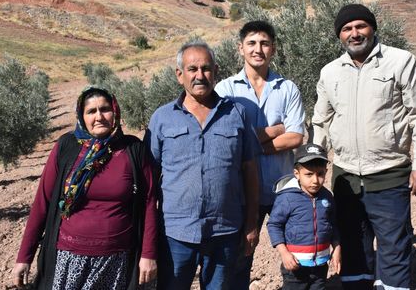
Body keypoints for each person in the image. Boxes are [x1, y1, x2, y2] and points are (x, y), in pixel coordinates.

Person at [311, 4, 416, 290]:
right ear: (339, 36)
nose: (354, 33)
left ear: (372, 28)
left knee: (394, 246)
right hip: (345, 177)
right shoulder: (330, 72)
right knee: (353, 245)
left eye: (360, 26)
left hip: (389, 173)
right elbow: (321, 121)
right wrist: (315, 163)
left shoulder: (400, 61)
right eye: (347, 29)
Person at [12, 86, 158, 289]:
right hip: (69, 258)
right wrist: (24, 257)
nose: (99, 116)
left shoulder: (133, 149)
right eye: (91, 111)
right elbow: (42, 203)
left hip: (117, 260)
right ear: (82, 117)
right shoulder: (67, 147)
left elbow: (149, 203)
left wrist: (148, 254)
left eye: (105, 109)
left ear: (114, 111)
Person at [145, 40, 260, 290]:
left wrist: (252, 223)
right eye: (192, 69)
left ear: (216, 71)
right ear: (179, 75)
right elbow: (149, 180)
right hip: (176, 233)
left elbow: (250, 171)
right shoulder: (162, 118)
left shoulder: (237, 113)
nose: (200, 76)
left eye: (206, 69)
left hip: (226, 231)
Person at [215, 20, 305, 288]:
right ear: (240, 48)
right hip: (242, 191)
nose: (258, 49)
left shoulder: (287, 88)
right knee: (241, 256)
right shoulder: (225, 90)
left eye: (264, 43)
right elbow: (228, 139)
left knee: (295, 253)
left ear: (273, 49)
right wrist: (275, 130)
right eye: (252, 43)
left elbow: (296, 136)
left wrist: (252, 144)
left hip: (283, 188)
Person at [267, 143, 341, 290]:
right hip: (295, 266)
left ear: (326, 172)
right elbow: (274, 225)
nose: (315, 180)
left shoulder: (327, 197)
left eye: (320, 174)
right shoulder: (287, 198)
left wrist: (337, 248)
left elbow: (333, 224)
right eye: (309, 174)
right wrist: (284, 253)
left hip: (320, 266)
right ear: (297, 174)